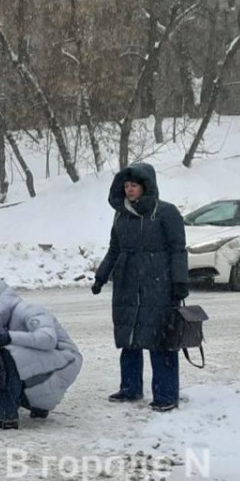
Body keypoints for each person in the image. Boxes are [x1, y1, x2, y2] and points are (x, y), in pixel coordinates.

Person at [92, 162, 188, 412]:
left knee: (160, 338)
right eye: (125, 185)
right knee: (129, 336)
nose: (129, 190)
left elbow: (178, 250)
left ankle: (166, 395)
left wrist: (179, 282)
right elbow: (115, 248)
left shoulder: (166, 213)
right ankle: (130, 388)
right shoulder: (121, 213)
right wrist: (101, 276)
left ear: (146, 186)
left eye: (133, 185)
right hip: (126, 281)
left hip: (158, 283)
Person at [0, 279, 84, 429]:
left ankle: (5, 416)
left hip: (66, 358)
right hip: (54, 360)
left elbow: (48, 340)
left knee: (5, 355)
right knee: (1, 350)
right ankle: (36, 406)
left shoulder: (29, 310)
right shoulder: (4, 319)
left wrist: (10, 337)